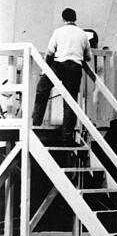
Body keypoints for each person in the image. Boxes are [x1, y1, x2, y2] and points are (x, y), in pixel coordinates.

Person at [32, 8, 93, 144]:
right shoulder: (83, 34)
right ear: (75, 19)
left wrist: (45, 69)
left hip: (59, 65)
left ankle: (36, 120)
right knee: (70, 101)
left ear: (63, 19)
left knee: (42, 88)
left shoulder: (58, 32)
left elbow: (50, 53)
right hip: (75, 68)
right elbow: (88, 57)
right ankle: (67, 137)